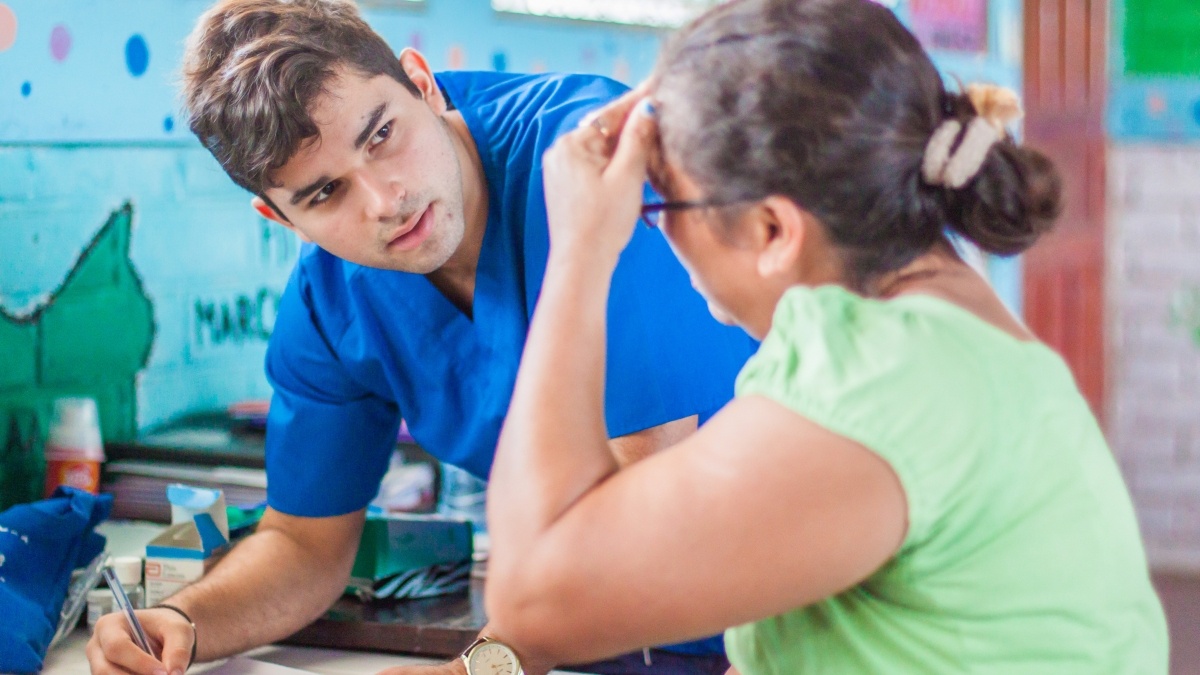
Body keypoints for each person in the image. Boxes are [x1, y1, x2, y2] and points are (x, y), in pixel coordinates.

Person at [475, 0, 1171, 673]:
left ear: (772, 231)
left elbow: (533, 597)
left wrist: (578, 247)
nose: (654, 229)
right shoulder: (941, 330)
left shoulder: (882, 374)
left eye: (658, 204)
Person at [86, 1, 756, 674]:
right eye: (323, 194)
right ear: (279, 216)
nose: (385, 200)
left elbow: (641, 509)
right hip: (590, 641)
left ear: (422, 81)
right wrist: (182, 619)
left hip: (790, 620)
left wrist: (481, 665)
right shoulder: (332, 301)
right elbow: (303, 541)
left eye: (380, 135)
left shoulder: (596, 170)